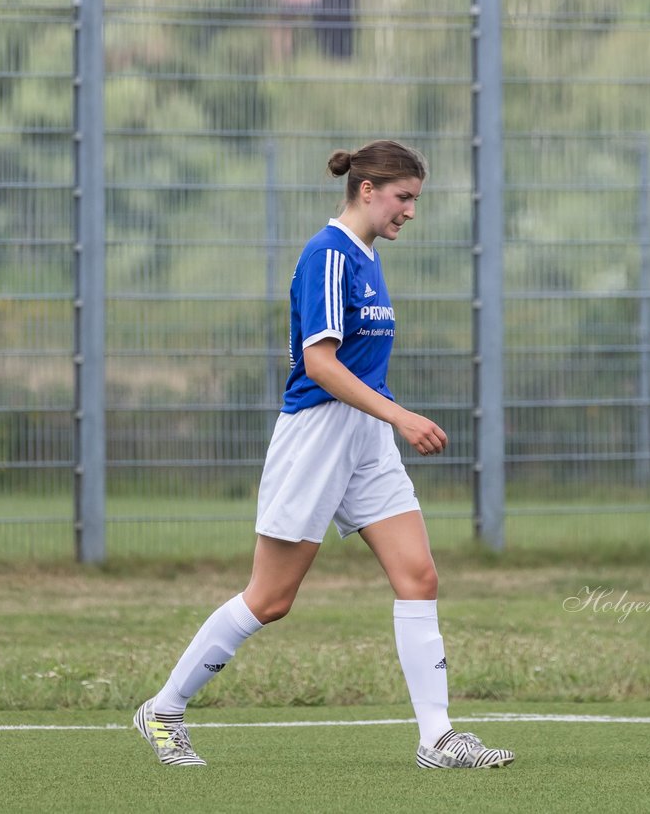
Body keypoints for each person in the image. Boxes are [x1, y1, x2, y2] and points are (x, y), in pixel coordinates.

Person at [133, 139, 515, 770]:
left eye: (414, 200)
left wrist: (384, 422)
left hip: (366, 437)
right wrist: (401, 416)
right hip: (317, 436)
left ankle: (438, 738)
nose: (409, 213)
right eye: (403, 198)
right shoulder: (328, 255)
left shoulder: (365, 255)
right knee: (271, 598)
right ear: (367, 190)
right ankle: (164, 707)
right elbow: (319, 363)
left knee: (418, 575)